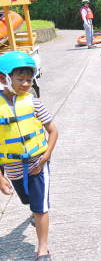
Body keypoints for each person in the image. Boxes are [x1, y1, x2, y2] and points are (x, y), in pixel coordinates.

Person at [0, 51, 58, 260]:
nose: (26, 84)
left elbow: (53, 130)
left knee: (40, 206)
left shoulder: (34, 103)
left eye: (29, 79)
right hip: (13, 168)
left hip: (38, 163)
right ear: (3, 78)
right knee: (28, 200)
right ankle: (33, 213)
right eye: (20, 79)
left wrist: (46, 155)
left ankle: (42, 249)